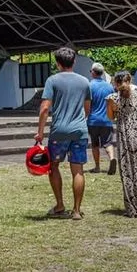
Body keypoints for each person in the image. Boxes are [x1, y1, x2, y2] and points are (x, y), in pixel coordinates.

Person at [34, 47, 91, 221]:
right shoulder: (84, 82)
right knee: (78, 170)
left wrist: (40, 133)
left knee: (54, 166)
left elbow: (44, 108)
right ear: (74, 61)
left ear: (57, 63)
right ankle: (76, 210)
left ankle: (59, 204)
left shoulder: (52, 80)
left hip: (59, 132)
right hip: (79, 131)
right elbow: (87, 108)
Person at [106, 72, 137, 218]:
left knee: (128, 173)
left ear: (115, 83)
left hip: (127, 137)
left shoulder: (113, 99)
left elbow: (110, 117)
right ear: (130, 80)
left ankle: (134, 208)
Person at [86, 63, 117, 175]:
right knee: (108, 143)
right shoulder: (109, 87)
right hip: (107, 120)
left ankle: (97, 167)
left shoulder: (89, 86)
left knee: (95, 144)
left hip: (93, 120)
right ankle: (112, 158)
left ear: (93, 72)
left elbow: (87, 104)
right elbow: (113, 102)